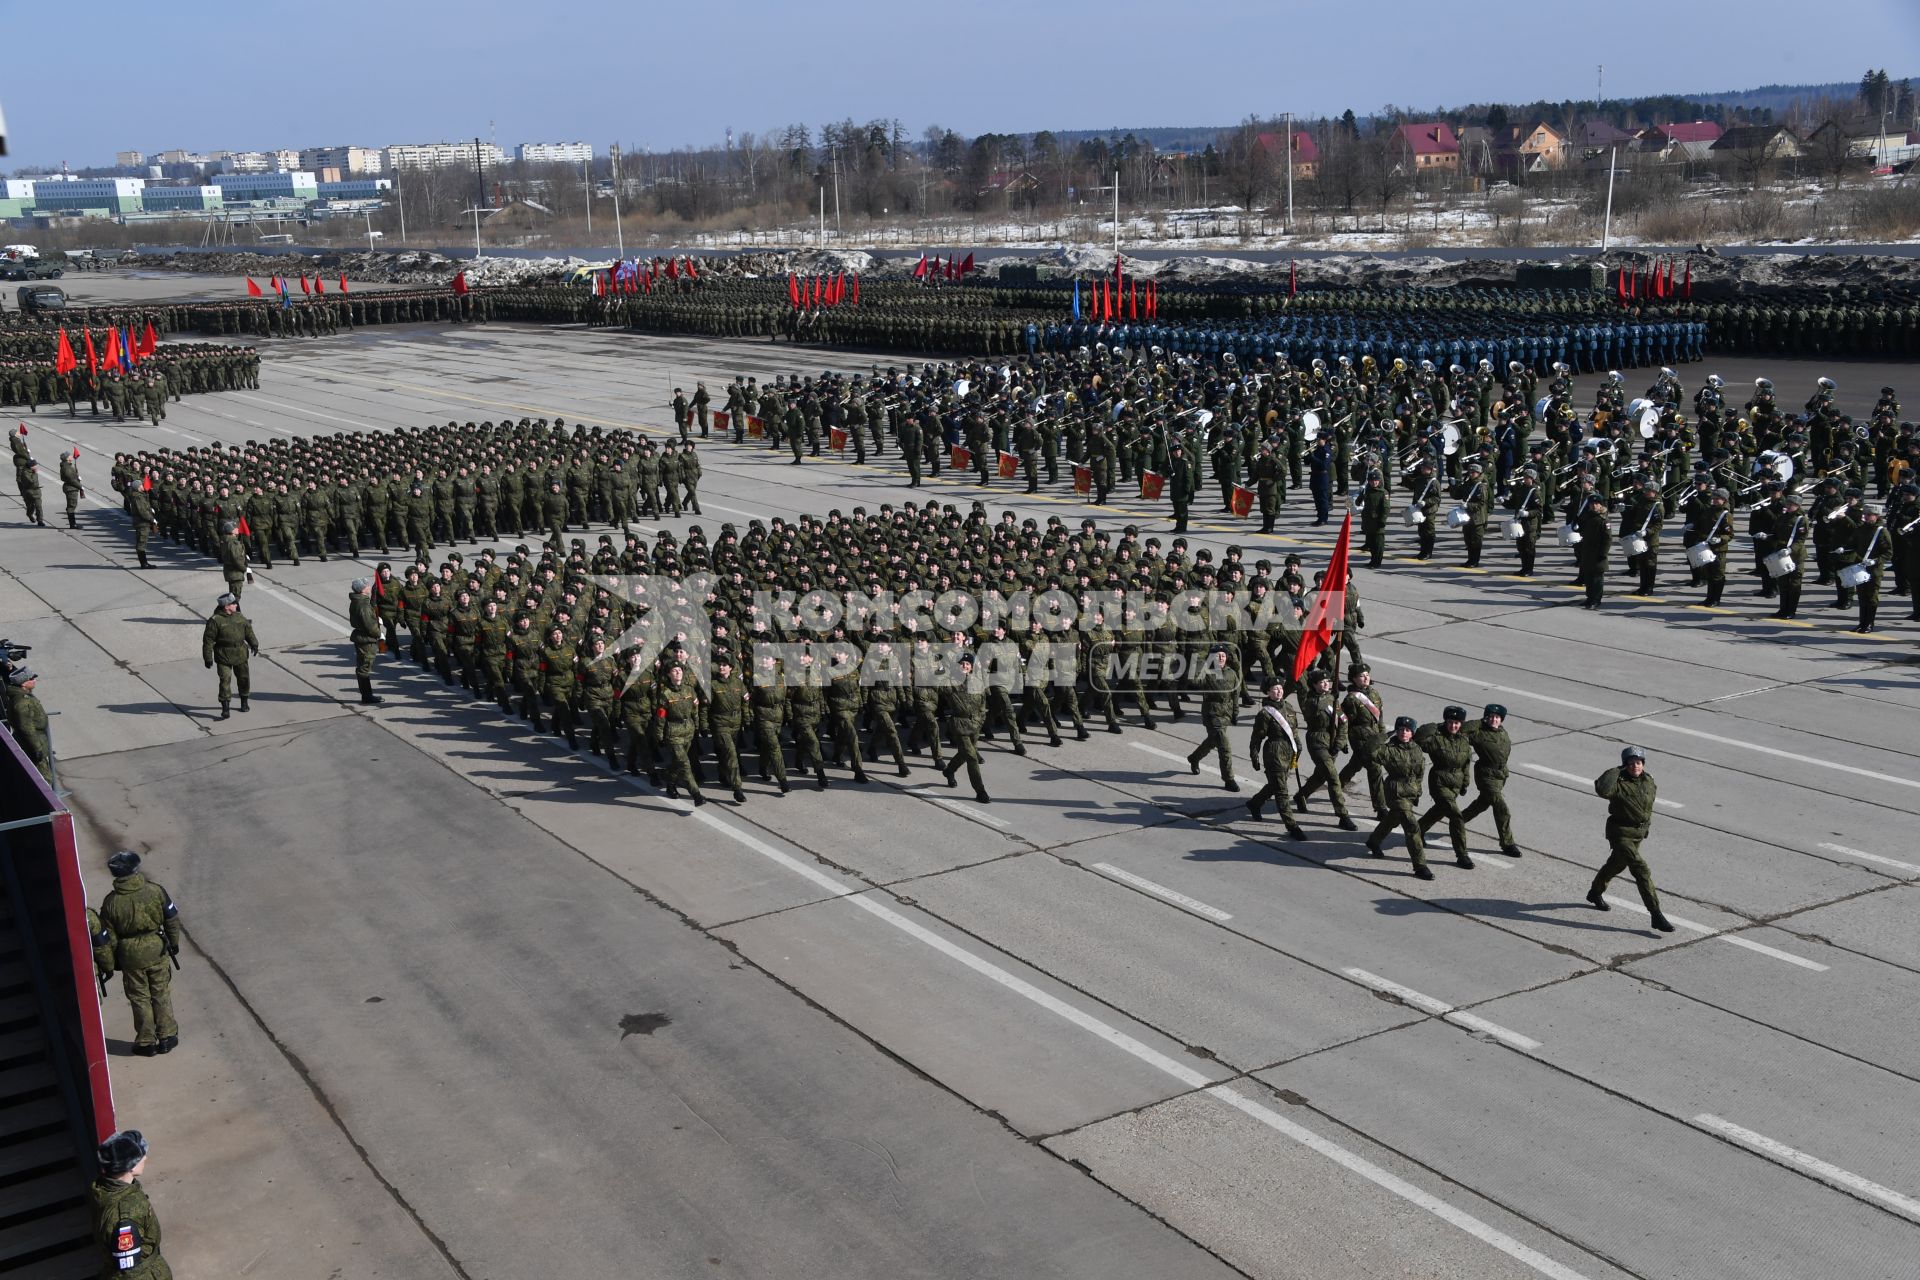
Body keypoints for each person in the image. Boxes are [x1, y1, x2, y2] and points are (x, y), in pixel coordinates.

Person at [97, 850, 182, 1056]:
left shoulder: (110, 903)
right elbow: (171, 919)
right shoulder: (155, 891)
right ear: (136, 869)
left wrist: (110, 964)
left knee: (139, 997)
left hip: (129, 956)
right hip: (157, 948)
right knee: (160, 992)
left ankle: (146, 1042)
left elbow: (109, 938)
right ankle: (167, 1037)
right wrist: (173, 942)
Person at [1587, 746, 1674, 932]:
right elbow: (1602, 789)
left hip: (1638, 835)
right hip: (1621, 834)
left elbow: (1647, 807)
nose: (1635, 766)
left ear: (1643, 764)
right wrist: (1616, 770)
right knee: (1641, 869)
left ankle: (1595, 893)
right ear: (1624, 765)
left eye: (1639, 762)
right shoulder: (1618, 783)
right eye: (1631, 763)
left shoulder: (1648, 781)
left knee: (1616, 865)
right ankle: (1656, 914)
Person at [92, 1129, 171, 1279]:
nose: (146, 1158)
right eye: (141, 1156)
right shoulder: (124, 1215)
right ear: (131, 1167)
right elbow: (130, 1272)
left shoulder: (106, 1188)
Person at [1366, 716, 1431, 879]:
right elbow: (1369, 749)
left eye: (1408, 730)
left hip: (1410, 791)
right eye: (1401, 729)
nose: (1404, 732)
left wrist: (1417, 791)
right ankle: (1420, 866)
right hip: (1395, 791)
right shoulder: (1388, 749)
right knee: (1411, 826)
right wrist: (1386, 735)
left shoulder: (1416, 748)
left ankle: (1374, 841)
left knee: (1392, 819)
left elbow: (1419, 772)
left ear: (1412, 733)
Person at [1456, 703, 1522, 857]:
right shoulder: (1478, 733)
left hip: (1500, 775)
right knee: (1501, 808)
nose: (1494, 720)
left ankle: (1458, 821)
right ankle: (1507, 843)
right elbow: (1462, 729)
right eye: (1491, 717)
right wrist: (1480, 721)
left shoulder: (1502, 732)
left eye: (1497, 717)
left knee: (1482, 804)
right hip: (1486, 775)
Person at [1245, 681, 1306, 839]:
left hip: (1289, 752)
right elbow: (1257, 737)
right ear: (1268, 692)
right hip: (1274, 752)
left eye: (1280, 688)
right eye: (1274, 689)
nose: (1278, 692)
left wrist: (1298, 747)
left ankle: (1255, 803)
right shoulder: (1265, 714)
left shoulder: (1289, 708)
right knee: (1282, 791)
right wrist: (1254, 755)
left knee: (1275, 785)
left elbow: (1294, 731)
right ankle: (1292, 826)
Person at [1185, 644, 1239, 790]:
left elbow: (1235, 694)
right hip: (1212, 713)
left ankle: (1194, 758)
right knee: (1224, 747)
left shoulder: (1231, 673)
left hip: (1225, 714)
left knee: (1212, 742)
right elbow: (1193, 681)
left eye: (1223, 655)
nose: (1221, 658)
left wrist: (1235, 712)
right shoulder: (1207, 672)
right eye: (1217, 655)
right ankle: (1229, 779)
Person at [201, 592, 259, 719]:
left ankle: (244, 701)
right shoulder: (215, 621)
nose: (235, 605)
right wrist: (208, 658)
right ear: (226, 606)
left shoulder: (239, 616)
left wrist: (254, 644)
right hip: (223, 655)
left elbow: (248, 631)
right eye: (233, 604)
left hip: (240, 654)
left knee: (244, 679)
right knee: (225, 680)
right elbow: (208, 641)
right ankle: (225, 708)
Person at [4, 667, 53, 782]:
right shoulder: (22, 702)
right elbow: (26, 728)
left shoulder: (24, 697)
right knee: (43, 779)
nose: (34, 680)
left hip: (35, 741)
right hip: (31, 744)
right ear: (24, 684)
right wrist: (37, 748)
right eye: (31, 678)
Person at [348, 578, 384, 706]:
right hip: (366, 640)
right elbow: (369, 626)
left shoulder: (359, 601)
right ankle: (367, 696)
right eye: (367, 585)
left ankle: (367, 695)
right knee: (364, 668)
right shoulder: (363, 605)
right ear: (363, 589)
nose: (369, 586)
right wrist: (379, 634)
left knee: (363, 667)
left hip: (362, 637)